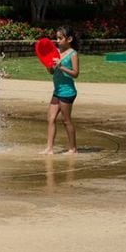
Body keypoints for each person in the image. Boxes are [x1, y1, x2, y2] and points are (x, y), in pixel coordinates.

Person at [42, 25, 79, 155]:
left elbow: (75, 73)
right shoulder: (56, 52)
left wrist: (61, 66)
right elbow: (52, 72)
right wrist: (48, 66)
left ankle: (73, 149)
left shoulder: (73, 54)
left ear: (69, 39)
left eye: (60, 38)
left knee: (66, 120)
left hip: (68, 91)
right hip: (57, 90)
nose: (57, 41)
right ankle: (49, 148)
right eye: (56, 38)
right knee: (50, 119)